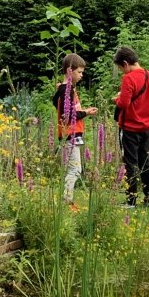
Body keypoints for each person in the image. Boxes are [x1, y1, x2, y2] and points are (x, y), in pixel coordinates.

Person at [112, 46, 149, 207]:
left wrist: (117, 99)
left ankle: (131, 200)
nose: (122, 71)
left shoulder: (128, 78)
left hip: (130, 128)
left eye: (121, 68)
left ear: (125, 63)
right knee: (145, 162)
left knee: (130, 163)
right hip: (146, 127)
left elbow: (124, 103)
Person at [52, 53, 98, 206]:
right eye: (79, 72)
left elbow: (56, 103)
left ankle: (66, 199)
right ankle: (66, 200)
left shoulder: (64, 89)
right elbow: (68, 115)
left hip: (68, 135)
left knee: (71, 169)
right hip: (70, 135)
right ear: (69, 71)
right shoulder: (67, 90)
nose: (81, 75)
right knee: (75, 170)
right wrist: (86, 112)